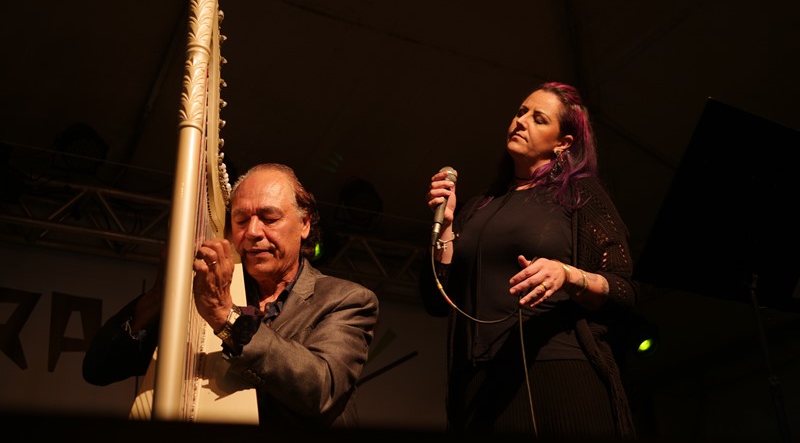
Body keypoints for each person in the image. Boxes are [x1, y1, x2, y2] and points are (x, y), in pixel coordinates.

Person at [83, 163, 379, 429]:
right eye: (241, 220)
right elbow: (99, 368)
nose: (252, 232)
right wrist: (163, 291)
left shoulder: (346, 299)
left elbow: (320, 388)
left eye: (269, 218)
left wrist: (227, 318)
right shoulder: (211, 288)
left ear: (304, 223)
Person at [420, 82, 638, 439]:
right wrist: (444, 229)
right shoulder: (478, 206)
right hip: (479, 383)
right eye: (521, 112)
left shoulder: (580, 196)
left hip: (558, 372)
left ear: (562, 143)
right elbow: (435, 299)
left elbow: (624, 290)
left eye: (538, 119)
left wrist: (568, 274)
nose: (521, 122)